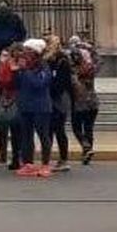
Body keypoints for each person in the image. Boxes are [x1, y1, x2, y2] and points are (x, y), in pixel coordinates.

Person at [14, 40, 54, 177]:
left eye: (28, 50)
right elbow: (15, 85)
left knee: (43, 136)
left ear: (35, 53)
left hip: (41, 107)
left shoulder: (44, 68)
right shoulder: (23, 68)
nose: (24, 53)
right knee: (26, 136)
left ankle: (45, 164)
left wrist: (25, 70)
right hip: (25, 106)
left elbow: (39, 84)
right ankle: (28, 163)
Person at [43, 35, 73, 172]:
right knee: (49, 130)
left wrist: (49, 89)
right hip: (50, 98)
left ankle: (63, 159)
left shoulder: (61, 61)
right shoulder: (47, 60)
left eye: (47, 44)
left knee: (58, 129)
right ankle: (49, 160)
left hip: (58, 99)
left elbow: (62, 83)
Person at [71, 47, 100, 165]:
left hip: (79, 104)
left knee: (76, 128)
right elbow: (99, 61)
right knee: (89, 128)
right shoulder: (90, 68)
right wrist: (91, 49)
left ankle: (85, 146)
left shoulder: (73, 71)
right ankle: (87, 152)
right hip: (93, 103)